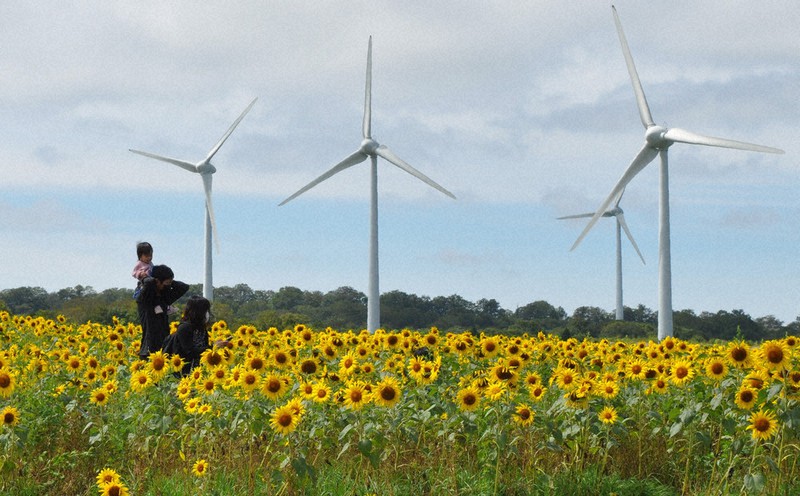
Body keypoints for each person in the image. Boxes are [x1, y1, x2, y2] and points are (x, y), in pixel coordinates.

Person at [136, 264, 189, 360]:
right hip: (149, 347)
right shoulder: (145, 299)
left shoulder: (164, 298)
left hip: (165, 345)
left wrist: (169, 281)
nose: (168, 286)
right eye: (166, 283)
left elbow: (184, 287)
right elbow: (149, 283)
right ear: (156, 281)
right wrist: (145, 278)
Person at [165, 295, 217, 374]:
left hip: (198, 371)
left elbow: (204, 349)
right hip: (184, 372)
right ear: (198, 311)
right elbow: (189, 351)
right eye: (205, 310)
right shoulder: (184, 328)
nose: (207, 313)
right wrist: (213, 347)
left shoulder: (202, 329)